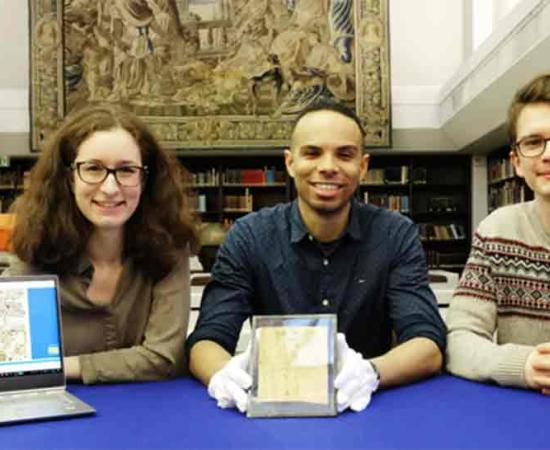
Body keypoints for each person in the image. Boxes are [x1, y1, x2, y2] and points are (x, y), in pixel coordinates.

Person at [187, 98, 446, 413]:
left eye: (345, 154)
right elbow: (207, 338)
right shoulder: (249, 236)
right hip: (272, 409)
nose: (328, 166)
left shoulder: (396, 234)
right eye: (312, 152)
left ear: (363, 167)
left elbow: (428, 343)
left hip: (368, 407)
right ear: (290, 162)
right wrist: (222, 375)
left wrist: (372, 373)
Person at [6, 104, 198, 385]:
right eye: (93, 168)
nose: (110, 188)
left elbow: (162, 358)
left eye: (126, 170)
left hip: (151, 412)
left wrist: (60, 367)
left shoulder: (169, 249)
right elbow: (15, 364)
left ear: (145, 179)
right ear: (70, 177)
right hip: (61, 415)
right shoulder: (33, 255)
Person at [446, 73, 550, 392]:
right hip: (522, 418)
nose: (548, 154)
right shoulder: (497, 232)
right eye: (534, 142)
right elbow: (459, 340)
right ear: (517, 163)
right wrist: (525, 365)